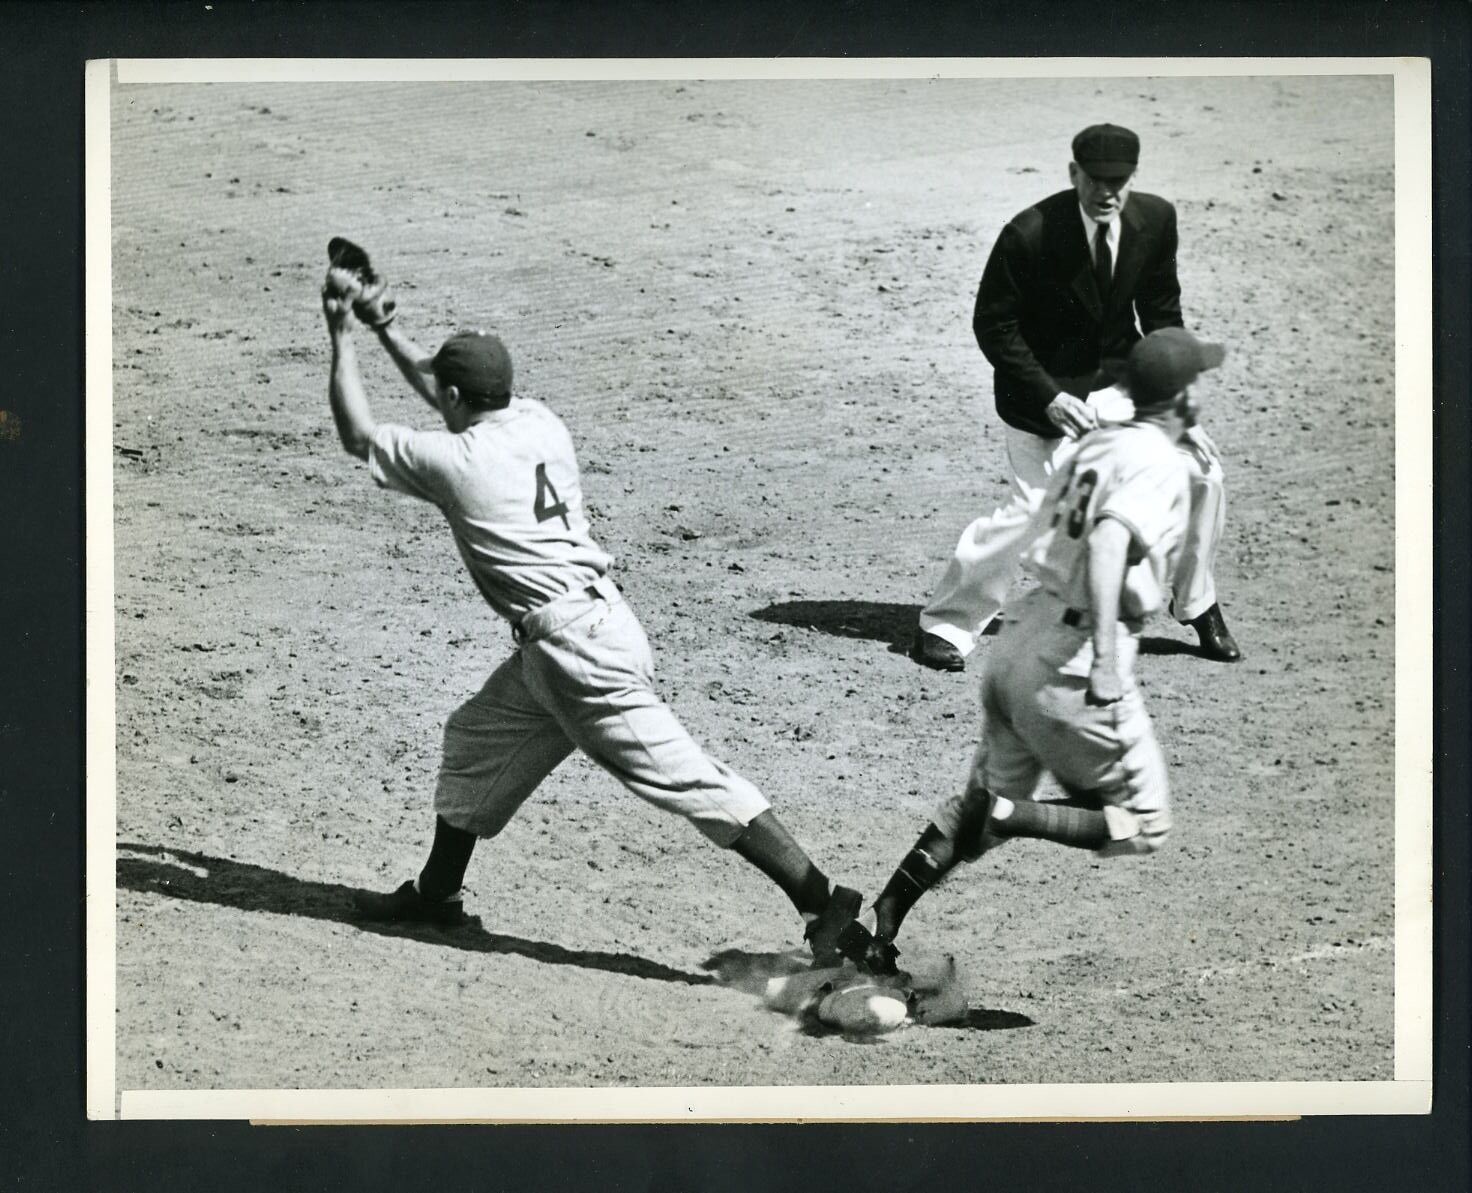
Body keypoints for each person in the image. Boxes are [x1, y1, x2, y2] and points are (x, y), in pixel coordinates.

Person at [317, 247, 861, 962]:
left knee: (685, 775)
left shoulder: (462, 463)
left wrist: (343, 334)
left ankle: (827, 904)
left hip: (580, 655)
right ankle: (438, 895)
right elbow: (447, 392)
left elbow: (360, 435)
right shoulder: (538, 420)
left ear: (455, 400)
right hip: (587, 630)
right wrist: (390, 329)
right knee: (475, 737)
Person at [842, 328, 1223, 976]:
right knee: (1142, 820)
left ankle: (885, 914)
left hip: (1019, 640)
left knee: (974, 805)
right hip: (1074, 655)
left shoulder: (1094, 443)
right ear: (1179, 396)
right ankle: (1011, 814)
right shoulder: (1160, 464)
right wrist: (1105, 657)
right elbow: (1107, 542)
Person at [910, 123, 1240, 672]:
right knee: (1035, 513)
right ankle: (946, 622)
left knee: (1203, 473)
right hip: (1041, 392)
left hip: (1122, 383)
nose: (1106, 191)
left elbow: (1161, 317)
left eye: (1119, 180)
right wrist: (1048, 398)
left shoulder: (1155, 221)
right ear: (1073, 175)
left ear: (1133, 179)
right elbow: (995, 328)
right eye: (1094, 180)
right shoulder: (1030, 232)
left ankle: (1196, 601)